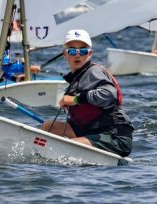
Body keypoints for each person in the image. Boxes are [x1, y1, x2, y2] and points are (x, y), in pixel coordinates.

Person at [41, 29, 133, 157]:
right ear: (65, 55)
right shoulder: (77, 77)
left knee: (69, 147)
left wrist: (75, 99)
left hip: (115, 137)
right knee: (49, 127)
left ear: (89, 54)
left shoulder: (93, 71)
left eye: (83, 51)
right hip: (91, 131)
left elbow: (109, 94)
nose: (77, 55)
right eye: (72, 51)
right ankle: (40, 155)